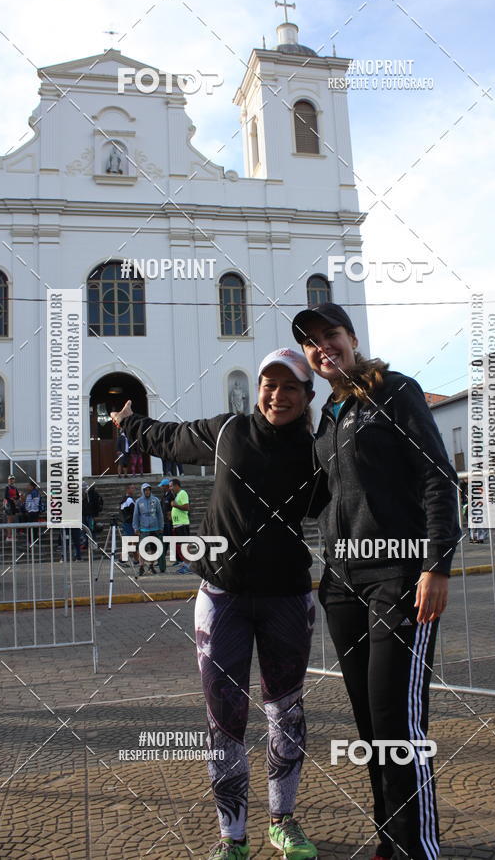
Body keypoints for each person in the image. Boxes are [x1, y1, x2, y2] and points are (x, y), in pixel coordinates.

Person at [111, 348, 320, 860]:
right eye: (269, 384)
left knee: (286, 713)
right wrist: (129, 422)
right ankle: (233, 837)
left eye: (290, 386)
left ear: (308, 396)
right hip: (222, 599)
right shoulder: (228, 430)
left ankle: (282, 821)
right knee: (225, 720)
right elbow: (168, 437)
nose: (277, 394)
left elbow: (352, 497)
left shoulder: (321, 449)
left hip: (287, 597)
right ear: (258, 389)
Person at [292, 303, 460, 860]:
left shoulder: (394, 391)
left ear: (352, 338)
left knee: (396, 720)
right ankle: (391, 838)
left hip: (399, 578)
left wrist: (436, 565)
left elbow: (438, 478)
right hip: (342, 585)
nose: (323, 348)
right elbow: (321, 497)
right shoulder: (328, 415)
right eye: (312, 343)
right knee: (369, 723)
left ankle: (419, 848)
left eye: (330, 335)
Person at [132, 483, 163, 576]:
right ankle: (141, 566)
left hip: (155, 527)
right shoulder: (138, 501)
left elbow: (160, 514)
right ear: (142, 491)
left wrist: (161, 526)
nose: (147, 492)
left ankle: (151, 565)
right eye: (145, 490)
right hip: (143, 529)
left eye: (149, 490)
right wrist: (136, 527)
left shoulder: (156, 500)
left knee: (154, 548)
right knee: (142, 548)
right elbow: (136, 515)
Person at [171, 479, 192, 572]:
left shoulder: (183, 493)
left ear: (176, 485)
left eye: (171, 486)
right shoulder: (178, 495)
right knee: (181, 546)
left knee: (185, 545)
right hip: (177, 524)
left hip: (182, 524)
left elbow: (187, 507)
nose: (170, 488)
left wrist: (175, 506)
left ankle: (188, 566)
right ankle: (186, 563)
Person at [159, 477, 175, 572]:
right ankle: (162, 559)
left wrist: (171, 518)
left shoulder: (171, 496)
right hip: (164, 522)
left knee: (169, 541)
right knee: (164, 541)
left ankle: (174, 559)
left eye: (162, 486)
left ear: (166, 486)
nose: (161, 487)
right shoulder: (164, 496)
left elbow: (173, 509)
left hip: (169, 522)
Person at [3, 474, 19, 541]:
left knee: (12, 521)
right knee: (9, 521)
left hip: (13, 505)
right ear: (8, 480)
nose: (12, 480)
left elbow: (17, 496)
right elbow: (6, 496)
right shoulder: (7, 487)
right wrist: (13, 498)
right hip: (8, 505)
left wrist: (16, 498)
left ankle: (11, 535)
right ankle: (8, 536)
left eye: (13, 479)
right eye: (10, 479)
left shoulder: (15, 488)